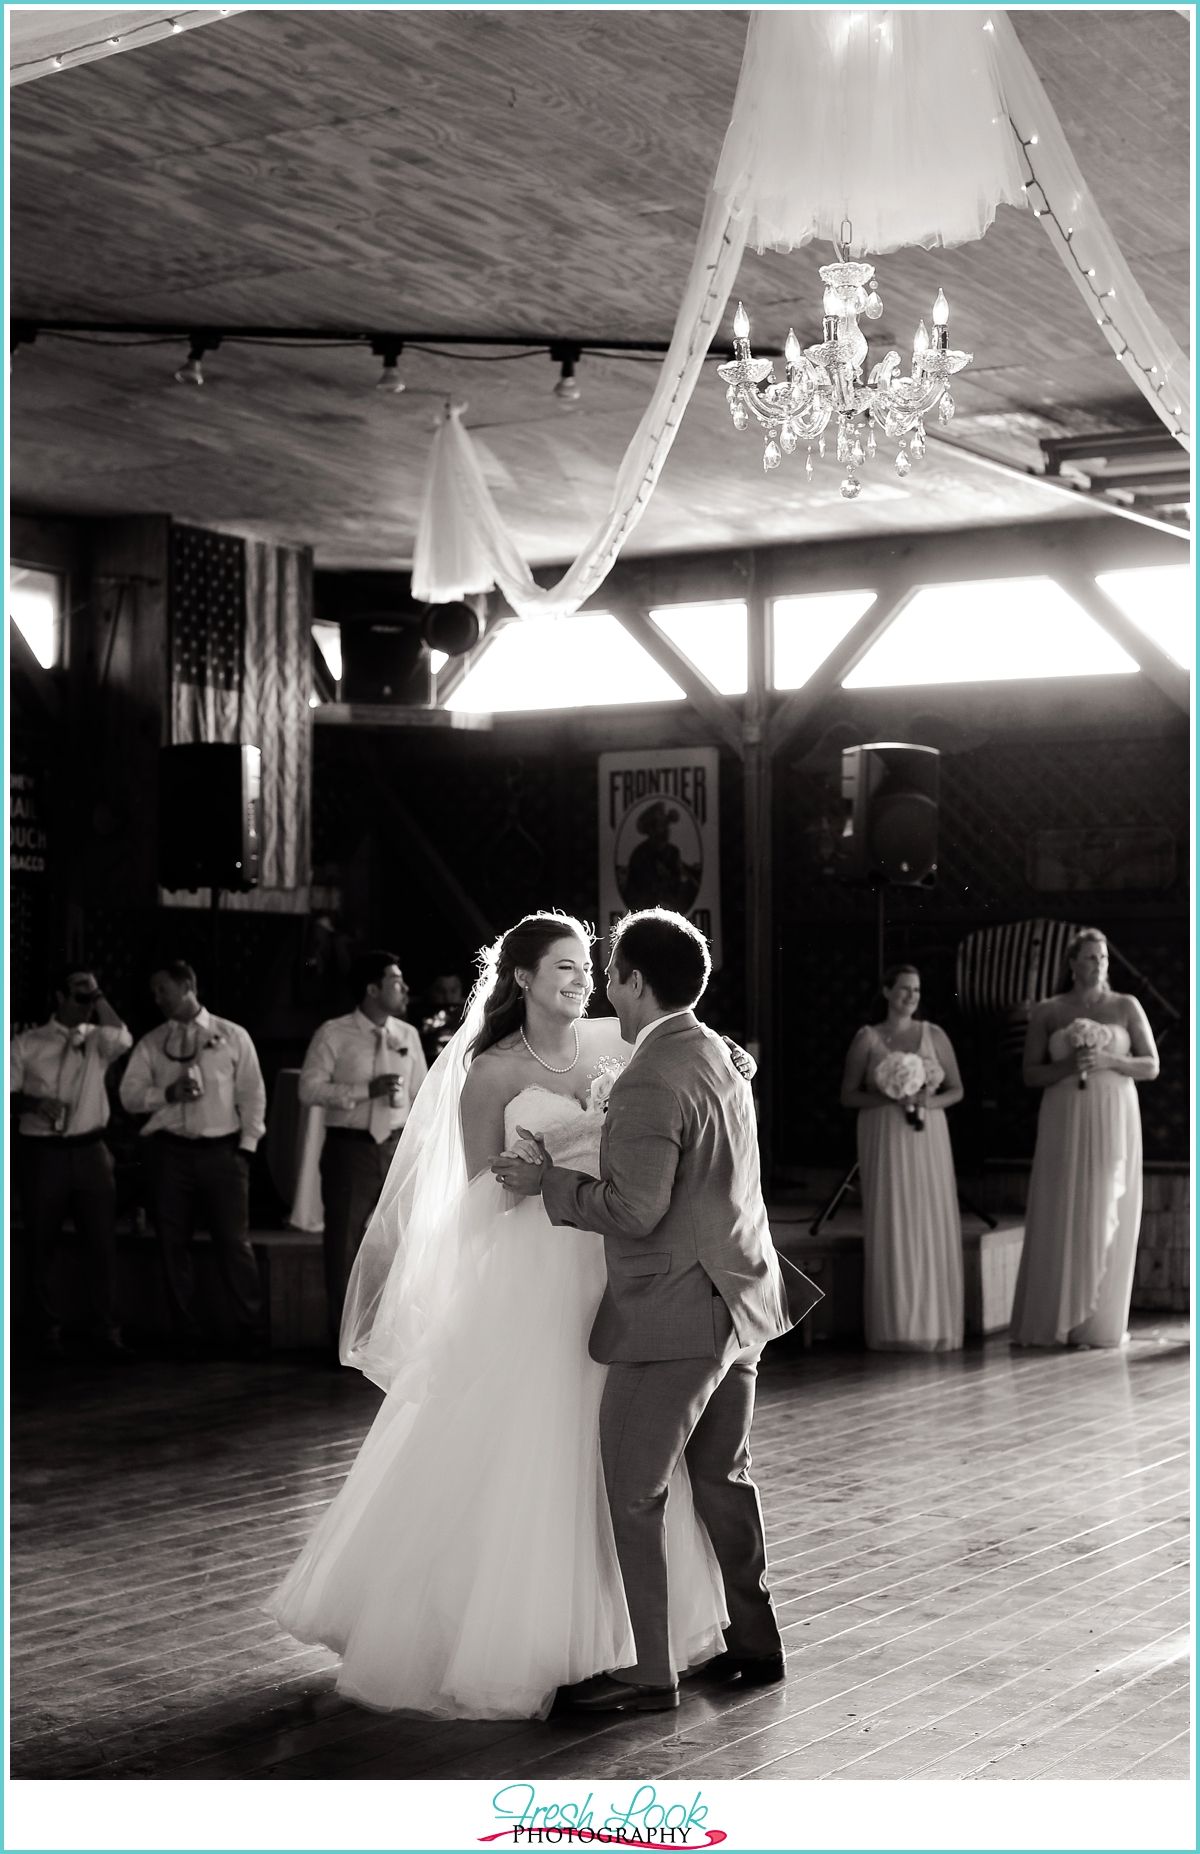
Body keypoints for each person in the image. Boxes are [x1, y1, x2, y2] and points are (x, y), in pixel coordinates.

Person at [268, 911, 770, 1720]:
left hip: (623, 1268)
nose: (582, 981)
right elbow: (477, 1191)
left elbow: (689, 1045)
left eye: (589, 968)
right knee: (548, 1449)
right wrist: (523, 1180)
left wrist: (733, 1055)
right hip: (540, 1269)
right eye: (564, 969)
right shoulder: (490, 1073)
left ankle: (645, 1648)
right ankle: (535, 1637)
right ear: (524, 979)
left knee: (636, 1463)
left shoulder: (620, 1041)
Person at [1009, 928, 1159, 1349]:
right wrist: (1071, 1065)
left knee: (1106, 1203)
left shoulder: (1126, 1005)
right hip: (1065, 1113)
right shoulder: (1048, 1011)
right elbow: (1030, 1073)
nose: (1098, 965)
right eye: (1090, 958)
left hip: (1114, 1112)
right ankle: (1058, 1316)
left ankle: (1099, 1319)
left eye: (1103, 958)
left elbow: (1151, 1065)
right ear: (1072, 963)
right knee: (1063, 1205)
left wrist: (1109, 1059)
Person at [119, 961, 267, 1356]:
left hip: (223, 1152)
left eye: (162, 989)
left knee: (235, 1243)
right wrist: (166, 1095)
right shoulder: (152, 1042)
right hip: (169, 1153)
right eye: (154, 992)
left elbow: (252, 1094)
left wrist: (247, 1147)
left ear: (187, 986)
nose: (157, 999)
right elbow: (129, 1094)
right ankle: (186, 1332)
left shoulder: (232, 1036)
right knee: (173, 1244)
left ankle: (250, 1330)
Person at [298, 951, 428, 1345]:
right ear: (372, 989)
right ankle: (343, 1341)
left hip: (395, 1148)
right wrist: (362, 1091)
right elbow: (308, 1089)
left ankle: (385, 1339)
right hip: (350, 1149)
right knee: (343, 1245)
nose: (405, 988)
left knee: (397, 1243)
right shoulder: (333, 1034)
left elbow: (423, 1094)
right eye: (396, 981)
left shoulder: (407, 1035)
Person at [839, 964, 965, 1353]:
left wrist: (927, 1100)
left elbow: (956, 1089)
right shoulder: (868, 1038)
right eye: (905, 988)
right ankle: (893, 1325)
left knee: (929, 1217)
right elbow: (849, 1095)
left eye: (917, 989)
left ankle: (935, 1324)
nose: (912, 995)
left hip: (927, 1135)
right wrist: (890, 1096)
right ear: (887, 991)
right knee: (892, 1218)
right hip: (885, 1135)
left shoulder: (935, 1035)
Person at [10, 968, 134, 1360]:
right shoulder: (26, 1043)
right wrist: (32, 1103)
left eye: (91, 997)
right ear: (58, 999)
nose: (87, 1005)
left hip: (91, 1151)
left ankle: (106, 1332)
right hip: (42, 1151)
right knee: (40, 1243)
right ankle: (45, 1333)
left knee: (101, 1243)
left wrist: (97, 996)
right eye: (79, 997)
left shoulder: (99, 1039)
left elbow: (124, 1037)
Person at [416, 972, 465, 1068]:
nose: (448, 997)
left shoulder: (471, 1018)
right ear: (430, 991)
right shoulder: (418, 1019)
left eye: (453, 990)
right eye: (440, 991)